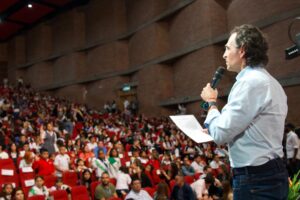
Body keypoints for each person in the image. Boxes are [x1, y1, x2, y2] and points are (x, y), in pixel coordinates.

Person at [200, 24, 288, 199]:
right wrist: (213, 125)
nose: (224, 54)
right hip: (268, 174)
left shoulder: (250, 83)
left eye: (227, 48)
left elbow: (221, 133)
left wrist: (211, 103)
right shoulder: (270, 82)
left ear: (242, 51)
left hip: (256, 179)